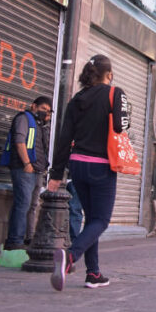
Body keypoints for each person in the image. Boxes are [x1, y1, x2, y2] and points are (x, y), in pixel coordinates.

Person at [48, 54, 129, 291]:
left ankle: (93, 273)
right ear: (109, 74)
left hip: (77, 165)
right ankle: (70, 257)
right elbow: (120, 126)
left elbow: (64, 138)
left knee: (91, 218)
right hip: (101, 165)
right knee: (101, 220)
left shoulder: (76, 99)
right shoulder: (115, 93)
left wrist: (56, 174)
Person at [1, 96, 52, 251]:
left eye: (49, 111)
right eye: (43, 109)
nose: (45, 113)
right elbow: (19, 141)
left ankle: (29, 238)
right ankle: (14, 240)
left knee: (32, 205)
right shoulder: (24, 118)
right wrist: (26, 163)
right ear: (34, 106)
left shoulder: (40, 125)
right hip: (24, 168)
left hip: (37, 170)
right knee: (23, 203)